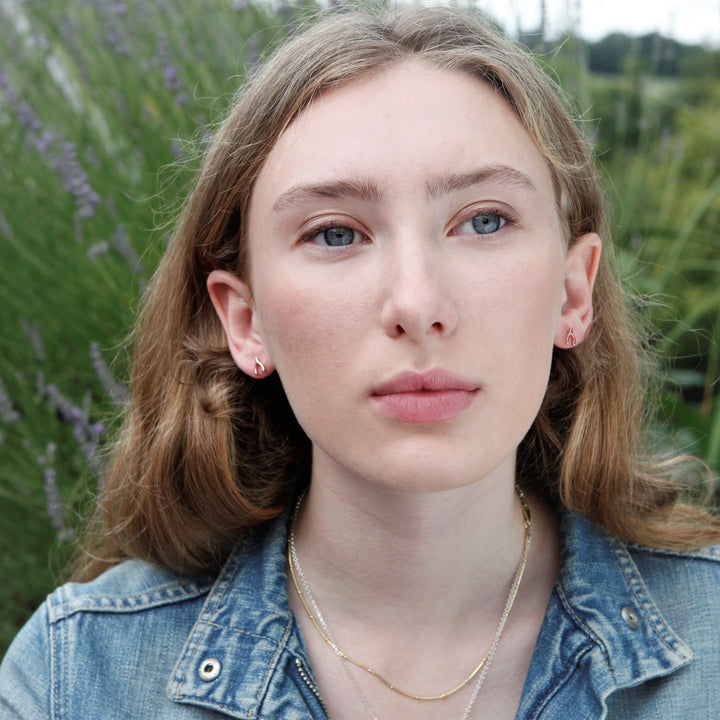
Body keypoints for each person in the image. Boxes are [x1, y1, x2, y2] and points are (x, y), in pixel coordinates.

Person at [1, 5, 719, 719]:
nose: (416, 301)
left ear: (572, 292)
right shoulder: (77, 679)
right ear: (244, 322)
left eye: (485, 220)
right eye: (336, 233)